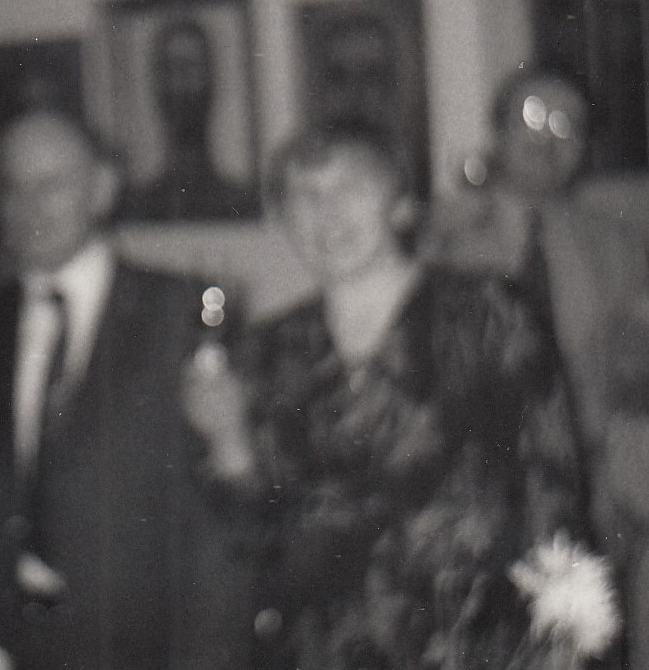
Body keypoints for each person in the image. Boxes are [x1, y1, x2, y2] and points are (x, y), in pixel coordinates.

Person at [187, 119, 611, 669]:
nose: (327, 211)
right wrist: (228, 443)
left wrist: (564, 644)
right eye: (304, 196)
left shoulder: (488, 313)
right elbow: (258, 542)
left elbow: (553, 488)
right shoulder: (267, 351)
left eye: (351, 187)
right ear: (284, 220)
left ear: (402, 206)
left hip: (474, 644)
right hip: (323, 651)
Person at [0, 109, 215, 669]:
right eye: (12, 187)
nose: (27, 206)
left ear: (102, 189)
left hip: (138, 647)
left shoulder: (180, 313)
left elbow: (216, 513)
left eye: (51, 184)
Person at [430, 70, 649, 666]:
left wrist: (624, 491)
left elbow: (636, 383)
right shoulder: (440, 244)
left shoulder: (620, 248)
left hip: (592, 492)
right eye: (532, 119)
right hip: (475, 498)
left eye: (568, 126)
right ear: (496, 133)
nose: (549, 139)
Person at [121, 16, 258, 221]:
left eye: (191, 66)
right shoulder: (138, 206)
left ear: (212, 81)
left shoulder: (241, 202)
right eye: (171, 67)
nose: (182, 81)